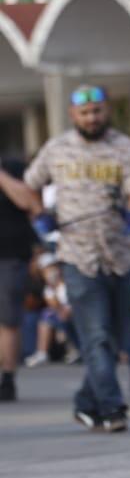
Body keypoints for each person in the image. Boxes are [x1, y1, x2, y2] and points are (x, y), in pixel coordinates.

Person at [23, 85, 130, 431]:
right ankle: (112, 408)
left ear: (106, 111)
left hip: (119, 254)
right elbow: (30, 183)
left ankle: (85, 402)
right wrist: (40, 214)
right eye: (85, 113)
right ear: (73, 115)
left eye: (97, 111)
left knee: (115, 336)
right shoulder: (57, 148)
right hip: (78, 256)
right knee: (96, 335)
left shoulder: (125, 147)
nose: (92, 118)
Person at [0, 156, 36, 401]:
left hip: (9, 256)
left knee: (8, 319)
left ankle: (8, 378)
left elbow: (27, 201)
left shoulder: (13, 168)